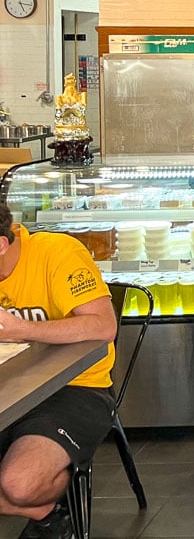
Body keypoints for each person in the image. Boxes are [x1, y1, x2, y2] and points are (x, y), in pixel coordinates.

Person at [0, 202, 116, 539]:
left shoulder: (58, 253)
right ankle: (44, 509)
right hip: (9, 388)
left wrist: (22, 329)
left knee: (19, 484)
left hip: (76, 388)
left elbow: (104, 327)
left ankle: (48, 496)